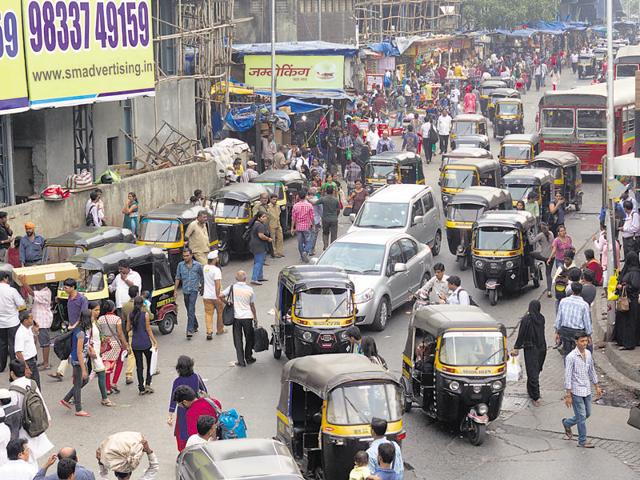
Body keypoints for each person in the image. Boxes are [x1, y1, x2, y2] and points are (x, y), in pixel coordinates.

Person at [562, 331, 603, 448]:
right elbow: (568, 376)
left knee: (587, 414)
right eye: (582, 341)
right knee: (581, 416)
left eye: (586, 341)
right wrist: (568, 395)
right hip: (576, 391)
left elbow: (592, 370)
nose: (585, 343)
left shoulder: (589, 354)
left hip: (587, 389)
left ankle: (566, 423)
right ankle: (582, 441)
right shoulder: (571, 357)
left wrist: (596, 386)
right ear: (576, 342)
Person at [9, 360, 53, 463]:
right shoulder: (31, 383)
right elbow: (40, 399)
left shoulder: (13, 390)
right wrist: (47, 417)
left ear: (12, 373)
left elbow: (14, 411)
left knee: (27, 452)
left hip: (24, 425)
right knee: (32, 451)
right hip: (36, 420)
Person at [49, 278, 87, 382]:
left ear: (72, 287)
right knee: (68, 348)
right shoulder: (69, 297)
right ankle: (60, 372)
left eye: (66, 287)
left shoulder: (82, 299)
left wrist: (75, 325)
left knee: (77, 350)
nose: (64, 289)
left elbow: (83, 315)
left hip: (78, 328)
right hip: (71, 327)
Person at [167, 355, 208, 451]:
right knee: (195, 429)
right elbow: (204, 391)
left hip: (182, 411)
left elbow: (173, 399)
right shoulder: (196, 377)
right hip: (196, 407)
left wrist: (170, 415)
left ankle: (184, 453)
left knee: (183, 432)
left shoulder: (177, 381)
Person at [512, 300, 546, 405]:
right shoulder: (541, 318)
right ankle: (534, 393)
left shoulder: (526, 319)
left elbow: (521, 334)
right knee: (535, 371)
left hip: (531, 349)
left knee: (532, 372)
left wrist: (516, 347)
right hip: (542, 348)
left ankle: (534, 395)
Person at [221, 270, 258, 367]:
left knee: (238, 339)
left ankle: (241, 361)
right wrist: (255, 317)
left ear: (236, 278)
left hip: (236, 318)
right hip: (248, 317)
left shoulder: (232, 288)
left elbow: (220, 295)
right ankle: (249, 357)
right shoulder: (250, 289)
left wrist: (228, 303)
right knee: (249, 338)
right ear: (245, 278)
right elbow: (252, 305)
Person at [60, 309, 92, 417]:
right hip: (78, 360)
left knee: (84, 380)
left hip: (78, 359)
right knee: (79, 383)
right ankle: (78, 409)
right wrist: (83, 369)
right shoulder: (81, 333)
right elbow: (79, 352)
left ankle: (66, 398)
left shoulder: (78, 328)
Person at [127, 296, 157, 395]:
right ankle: (148, 383)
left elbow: (127, 329)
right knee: (149, 363)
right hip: (145, 343)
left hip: (135, 344)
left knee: (139, 366)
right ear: (142, 304)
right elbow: (148, 329)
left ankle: (141, 388)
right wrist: (154, 341)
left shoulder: (130, 315)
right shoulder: (146, 315)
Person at [97, 300, 128, 396]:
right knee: (119, 362)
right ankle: (114, 382)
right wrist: (125, 344)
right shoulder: (117, 319)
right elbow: (120, 333)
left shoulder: (100, 319)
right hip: (116, 344)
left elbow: (99, 333)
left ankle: (107, 388)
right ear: (113, 308)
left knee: (107, 365)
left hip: (105, 344)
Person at [555, 282, 592, 355]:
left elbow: (559, 318)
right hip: (578, 332)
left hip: (565, 331)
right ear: (581, 292)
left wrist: (557, 331)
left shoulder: (563, 301)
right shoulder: (584, 304)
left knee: (567, 354)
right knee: (578, 354)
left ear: (571, 291)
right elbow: (587, 322)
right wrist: (589, 335)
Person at [175, 248, 204, 339]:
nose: (185, 257)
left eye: (187, 255)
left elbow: (202, 277)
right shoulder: (180, 265)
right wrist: (175, 290)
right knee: (189, 310)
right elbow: (177, 278)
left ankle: (189, 330)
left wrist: (202, 287)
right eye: (184, 256)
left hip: (194, 290)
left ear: (191, 255)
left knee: (191, 309)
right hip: (185, 291)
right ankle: (195, 325)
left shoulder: (198, 265)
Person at [0, 271, 25, 373]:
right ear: (6, 278)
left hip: (0, 323)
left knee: (2, 344)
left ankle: (1, 366)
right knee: (13, 344)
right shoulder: (12, 290)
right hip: (12, 322)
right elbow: (21, 304)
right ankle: (14, 367)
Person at [615, 252, 640, 350]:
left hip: (631, 301)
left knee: (629, 322)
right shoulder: (631, 270)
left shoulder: (634, 273)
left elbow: (635, 286)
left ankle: (629, 343)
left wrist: (623, 287)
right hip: (630, 301)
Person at [14, 310, 40, 390]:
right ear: (25, 321)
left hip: (33, 360)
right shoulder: (20, 333)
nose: (33, 320)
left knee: (36, 386)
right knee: (32, 387)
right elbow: (18, 353)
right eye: (31, 318)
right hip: (27, 362)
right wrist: (26, 367)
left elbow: (33, 343)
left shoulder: (28, 329)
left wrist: (36, 332)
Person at [202, 250, 224, 340]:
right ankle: (219, 330)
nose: (218, 259)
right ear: (215, 259)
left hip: (206, 296)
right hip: (215, 296)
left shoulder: (205, 268)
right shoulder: (216, 270)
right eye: (217, 257)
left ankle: (209, 331)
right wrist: (218, 296)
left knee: (208, 314)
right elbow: (217, 284)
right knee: (220, 313)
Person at [291, 189, 315, 263]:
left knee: (300, 242)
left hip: (298, 227)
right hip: (307, 226)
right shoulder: (309, 205)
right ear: (305, 196)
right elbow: (312, 217)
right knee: (310, 240)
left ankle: (302, 257)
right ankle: (306, 251)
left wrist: (292, 228)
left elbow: (293, 218)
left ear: (298, 197)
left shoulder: (295, 206)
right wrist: (313, 225)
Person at [248, 212, 272, 286]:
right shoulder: (260, 225)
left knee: (259, 261)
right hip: (259, 246)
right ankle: (254, 278)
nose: (265, 218)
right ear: (259, 218)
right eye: (263, 217)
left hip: (255, 244)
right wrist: (268, 239)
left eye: (265, 216)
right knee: (258, 262)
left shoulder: (255, 224)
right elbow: (261, 235)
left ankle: (259, 276)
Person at [314, 185, 340, 250]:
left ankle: (325, 246)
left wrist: (308, 199)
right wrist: (336, 216)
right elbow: (338, 210)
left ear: (326, 191)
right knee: (334, 234)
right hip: (334, 219)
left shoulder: (323, 199)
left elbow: (315, 203)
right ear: (333, 191)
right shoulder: (336, 200)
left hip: (325, 219)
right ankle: (332, 247)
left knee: (325, 233)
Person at [532, 223, 554, 297]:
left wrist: (529, 235)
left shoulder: (540, 235)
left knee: (531, 254)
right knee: (548, 274)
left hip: (543, 256)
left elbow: (531, 242)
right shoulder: (551, 233)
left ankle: (533, 269)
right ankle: (549, 291)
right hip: (551, 257)